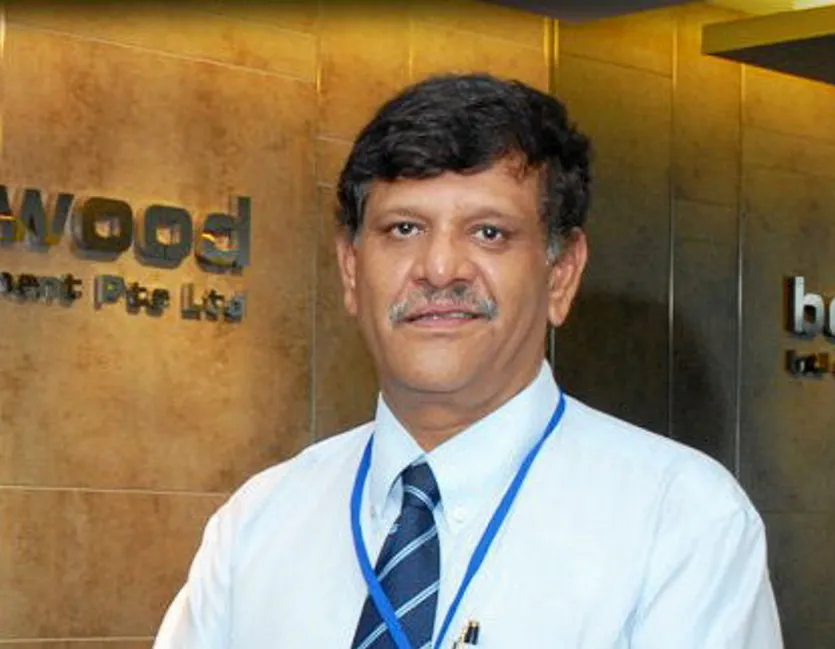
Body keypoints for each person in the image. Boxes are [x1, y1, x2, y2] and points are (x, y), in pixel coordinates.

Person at [153, 73, 783, 649]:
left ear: (561, 274)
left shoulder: (681, 521)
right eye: (404, 229)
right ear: (350, 270)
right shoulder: (259, 522)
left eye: (489, 233)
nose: (439, 269)